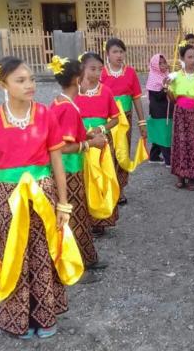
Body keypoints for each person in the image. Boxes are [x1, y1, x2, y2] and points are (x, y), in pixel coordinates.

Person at [0, 57, 78, 338]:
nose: (30, 85)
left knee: (43, 252)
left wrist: (63, 203)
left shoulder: (45, 114)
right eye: (20, 80)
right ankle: (18, 319)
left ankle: (45, 317)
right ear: (3, 85)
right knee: (13, 253)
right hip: (6, 197)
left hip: (42, 194)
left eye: (31, 79)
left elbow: (57, 162)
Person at [49, 56, 108, 278]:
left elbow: (69, 135)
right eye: (86, 74)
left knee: (79, 214)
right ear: (77, 79)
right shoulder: (67, 107)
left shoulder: (62, 102)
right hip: (68, 170)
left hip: (71, 168)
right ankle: (74, 267)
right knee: (72, 217)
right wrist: (90, 143)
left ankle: (86, 258)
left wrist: (87, 134)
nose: (91, 78)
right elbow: (62, 147)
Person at [75, 52, 121, 237]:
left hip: (101, 142)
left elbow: (116, 119)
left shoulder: (106, 91)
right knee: (83, 178)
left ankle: (100, 220)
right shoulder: (74, 92)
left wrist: (102, 128)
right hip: (82, 141)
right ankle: (84, 217)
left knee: (101, 178)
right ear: (82, 69)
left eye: (100, 69)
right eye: (92, 68)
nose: (97, 73)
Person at [100, 38, 147, 205]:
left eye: (121, 51)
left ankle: (120, 189)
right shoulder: (101, 73)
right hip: (105, 120)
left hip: (124, 119)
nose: (119, 55)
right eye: (115, 52)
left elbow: (136, 98)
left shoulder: (131, 73)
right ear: (107, 54)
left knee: (122, 152)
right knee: (107, 153)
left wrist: (142, 122)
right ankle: (107, 188)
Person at [165, 43, 194, 190]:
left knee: (193, 145)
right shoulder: (176, 76)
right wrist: (167, 89)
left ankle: (191, 178)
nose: (192, 59)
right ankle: (180, 176)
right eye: (189, 57)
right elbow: (172, 99)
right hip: (180, 114)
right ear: (182, 58)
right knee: (180, 144)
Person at [146, 54, 174, 166]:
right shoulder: (153, 78)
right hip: (159, 112)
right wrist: (165, 87)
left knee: (159, 134)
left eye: (164, 62)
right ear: (154, 65)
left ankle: (153, 156)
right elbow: (157, 96)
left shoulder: (166, 75)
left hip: (166, 110)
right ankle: (169, 160)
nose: (163, 65)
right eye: (160, 63)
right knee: (164, 135)